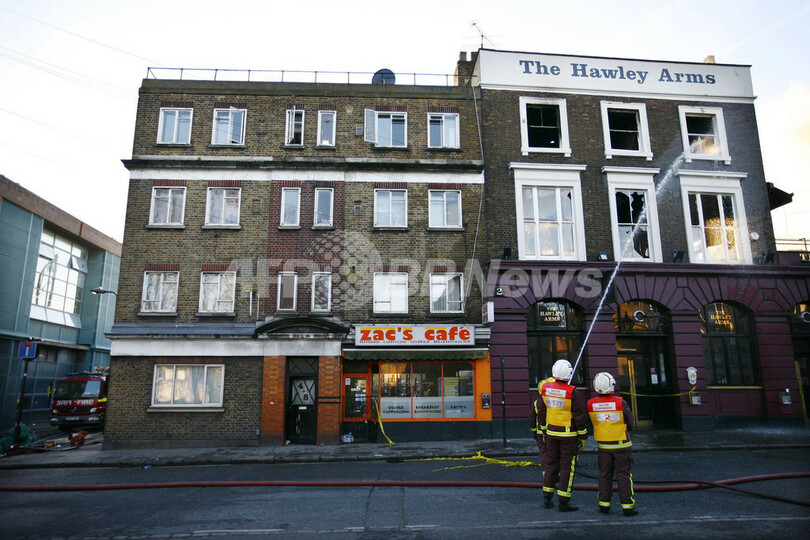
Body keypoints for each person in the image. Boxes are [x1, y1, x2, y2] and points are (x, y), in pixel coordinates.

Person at [536, 359, 588, 512]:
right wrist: (583, 437)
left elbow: (542, 411)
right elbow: (579, 416)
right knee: (567, 467)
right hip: (568, 436)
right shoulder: (572, 392)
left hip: (551, 433)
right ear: (569, 374)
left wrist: (543, 430)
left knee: (551, 465)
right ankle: (564, 501)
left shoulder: (545, 389)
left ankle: (547, 498)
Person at [587, 372, 638, 517]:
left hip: (603, 446)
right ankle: (627, 506)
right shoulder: (620, 402)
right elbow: (630, 422)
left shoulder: (591, 404)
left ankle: (604, 505)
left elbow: (593, 422)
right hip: (621, 445)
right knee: (623, 475)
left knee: (604, 475)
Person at [529, 375, 555, 455]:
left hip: (541, 433)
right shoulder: (557, 402)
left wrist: (534, 432)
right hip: (554, 431)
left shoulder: (537, 402)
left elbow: (532, 419)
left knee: (544, 453)